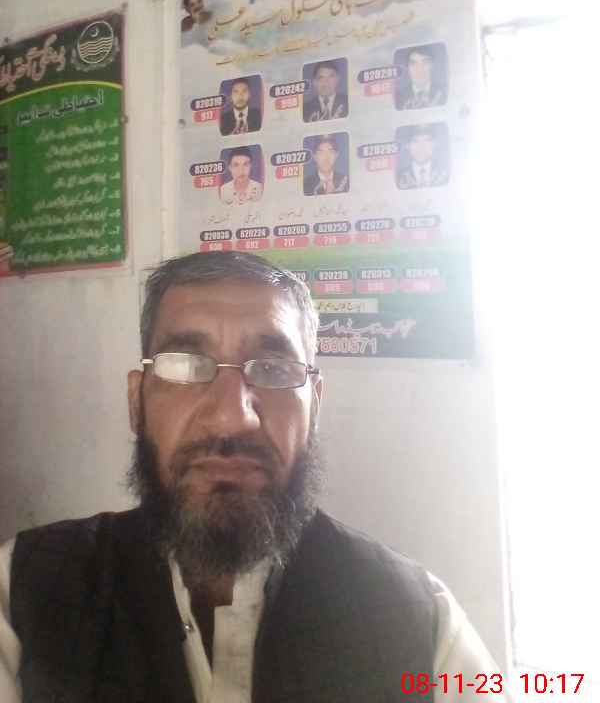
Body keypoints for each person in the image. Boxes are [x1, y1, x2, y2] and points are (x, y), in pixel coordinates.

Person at [0, 251, 507, 702]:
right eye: (185, 365)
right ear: (137, 402)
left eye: (273, 369)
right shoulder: (21, 593)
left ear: (315, 407)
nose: (231, 418)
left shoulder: (422, 624)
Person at [396, 124, 449, 189]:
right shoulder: (399, 176)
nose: (421, 147)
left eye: (427, 141)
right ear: (407, 145)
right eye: (415, 141)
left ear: (434, 144)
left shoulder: (444, 172)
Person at [395, 45, 447, 110]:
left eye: (425, 62)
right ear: (407, 68)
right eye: (413, 64)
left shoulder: (443, 92)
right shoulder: (399, 97)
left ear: (432, 66)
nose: (419, 69)